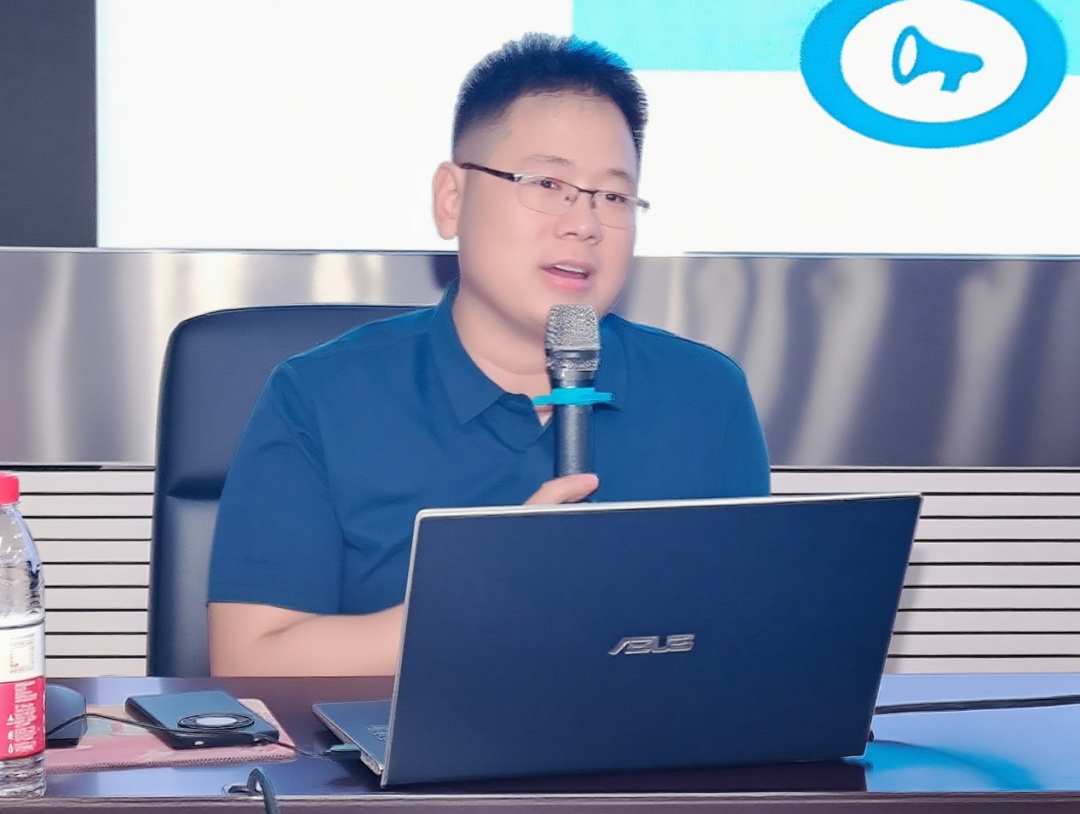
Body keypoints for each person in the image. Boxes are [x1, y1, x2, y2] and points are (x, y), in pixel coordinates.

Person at [207, 33, 770, 677]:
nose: (584, 223)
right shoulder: (321, 396)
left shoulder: (706, 395)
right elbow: (247, 659)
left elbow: (750, 648)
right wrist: (482, 595)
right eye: (548, 182)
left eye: (614, 197)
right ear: (451, 199)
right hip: (397, 745)